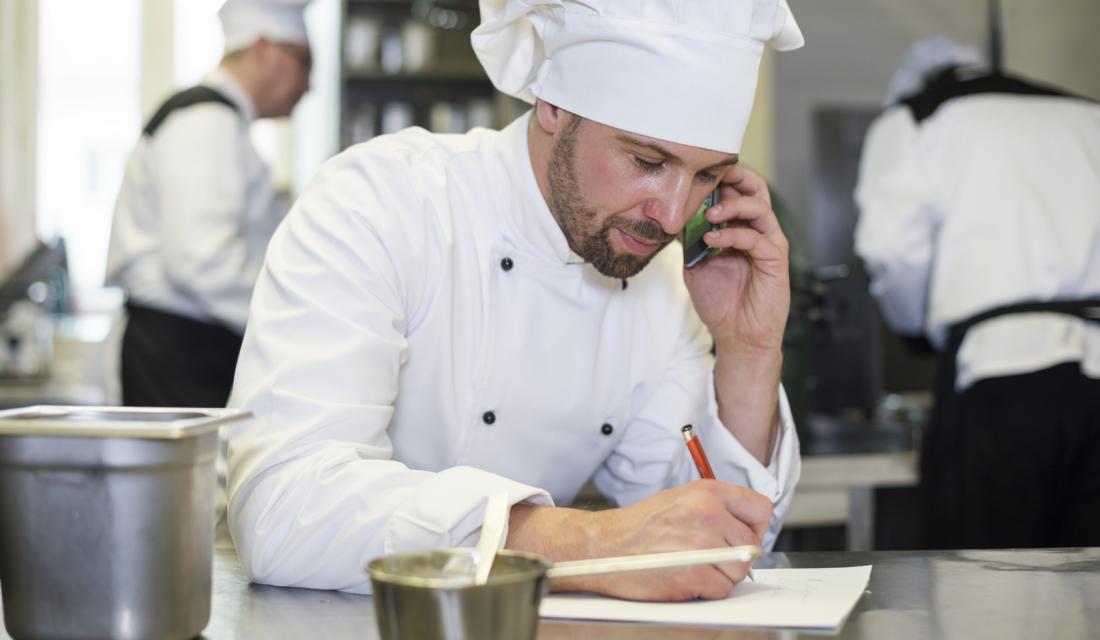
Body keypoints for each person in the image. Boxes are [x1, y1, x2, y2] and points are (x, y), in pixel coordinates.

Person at [227, 0, 804, 600]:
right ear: (552, 103)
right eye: (647, 161)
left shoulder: (662, 290)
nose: (673, 215)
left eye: (707, 176)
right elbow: (282, 510)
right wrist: (588, 543)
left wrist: (749, 349)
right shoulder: (382, 204)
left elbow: (711, 540)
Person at [854, 37, 1100, 549]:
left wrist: (913, 328)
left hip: (1000, 378)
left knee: (988, 583)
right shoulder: (1086, 115)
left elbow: (890, 249)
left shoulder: (914, 119)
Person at [105, 0, 312, 408]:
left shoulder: (222, 124)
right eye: (304, 62)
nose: (309, 85)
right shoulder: (206, 122)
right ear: (262, 48)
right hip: (180, 353)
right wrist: (291, 324)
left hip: (188, 347)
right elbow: (201, 261)